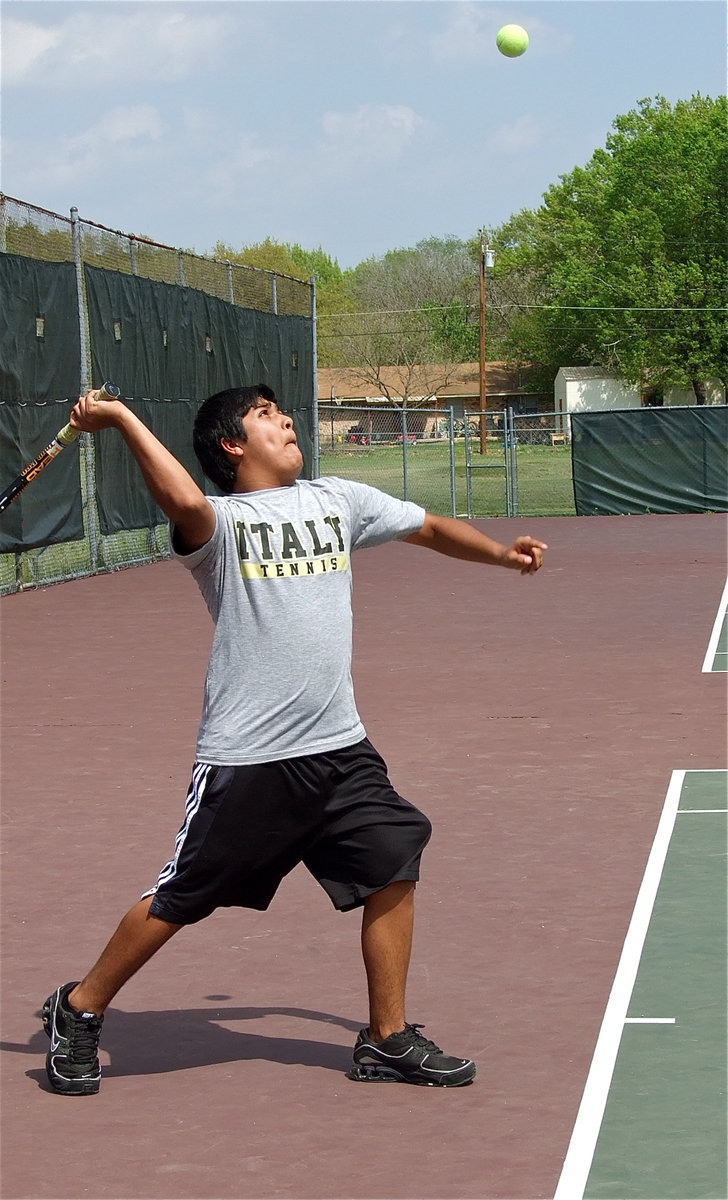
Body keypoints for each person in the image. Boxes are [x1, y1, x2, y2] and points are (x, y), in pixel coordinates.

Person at [42, 383, 547, 1096]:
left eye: (282, 411)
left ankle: (388, 1038)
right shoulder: (218, 524)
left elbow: (428, 527)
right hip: (249, 758)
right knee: (183, 895)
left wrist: (501, 555)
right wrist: (123, 416)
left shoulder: (336, 501)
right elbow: (182, 504)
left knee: (394, 854)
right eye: (263, 415)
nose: (284, 419)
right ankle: (79, 1007)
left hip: (339, 748)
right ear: (232, 445)